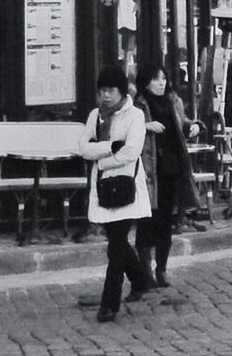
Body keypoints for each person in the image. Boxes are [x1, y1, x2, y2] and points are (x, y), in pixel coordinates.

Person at [79, 65, 152, 323]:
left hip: (125, 186)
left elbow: (132, 151)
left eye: (110, 91)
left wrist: (104, 161)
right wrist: (110, 147)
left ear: (121, 91)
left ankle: (109, 303)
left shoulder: (135, 116)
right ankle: (141, 279)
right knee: (116, 240)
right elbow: (83, 148)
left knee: (116, 245)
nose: (105, 96)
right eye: (102, 91)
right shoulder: (94, 116)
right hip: (103, 188)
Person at [133, 63, 202, 289]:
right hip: (148, 172)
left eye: (163, 78)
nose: (161, 83)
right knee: (146, 221)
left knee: (165, 222)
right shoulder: (138, 104)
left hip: (171, 169)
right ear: (145, 81)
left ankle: (161, 269)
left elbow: (181, 121)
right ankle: (145, 272)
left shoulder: (173, 101)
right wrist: (146, 126)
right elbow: (126, 130)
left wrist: (192, 126)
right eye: (156, 78)